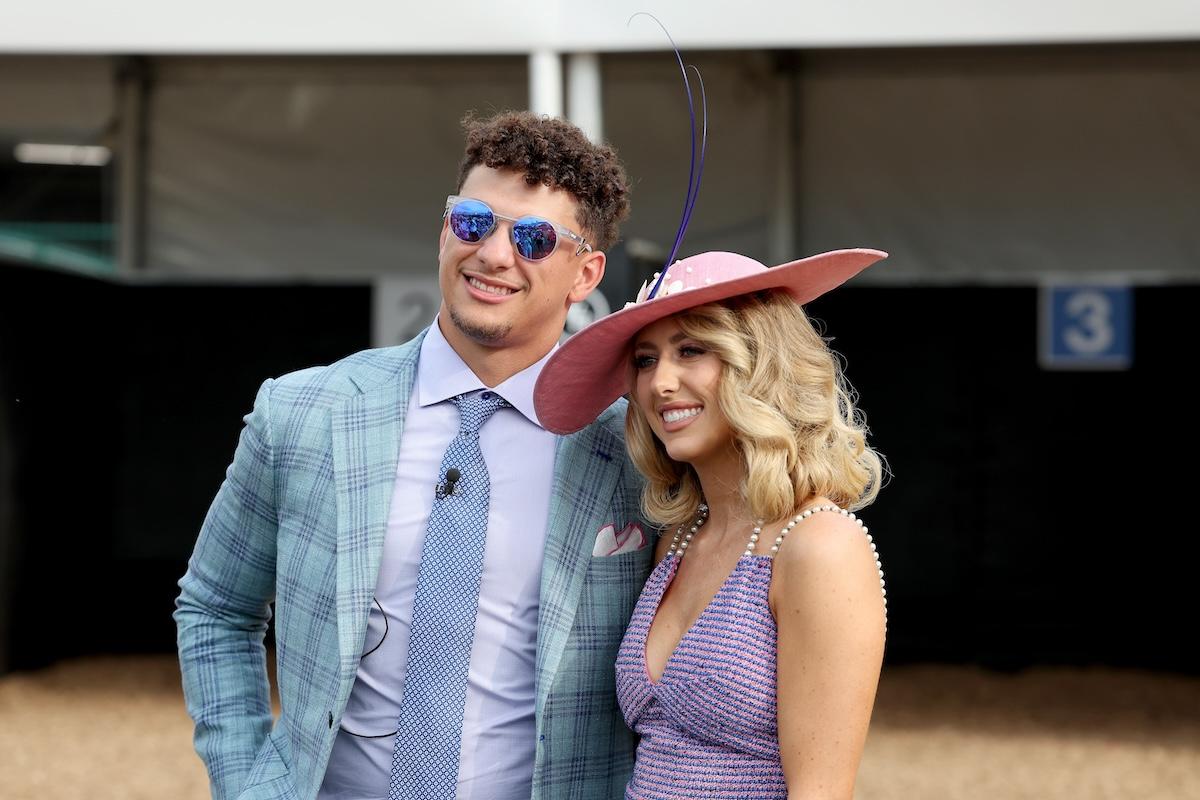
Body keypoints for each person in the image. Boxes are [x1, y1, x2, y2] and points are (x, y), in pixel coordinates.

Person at [175, 110, 653, 800]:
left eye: (533, 238)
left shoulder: (633, 449)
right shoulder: (303, 413)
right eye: (473, 223)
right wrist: (247, 777)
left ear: (587, 274)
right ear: (444, 230)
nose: (493, 254)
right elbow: (216, 606)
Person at [533, 248, 890, 800]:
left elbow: (821, 791)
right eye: (646, 360)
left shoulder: (819, 545)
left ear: (762, 361)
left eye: (691, 350)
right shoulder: (677, 539)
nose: (661, 384)